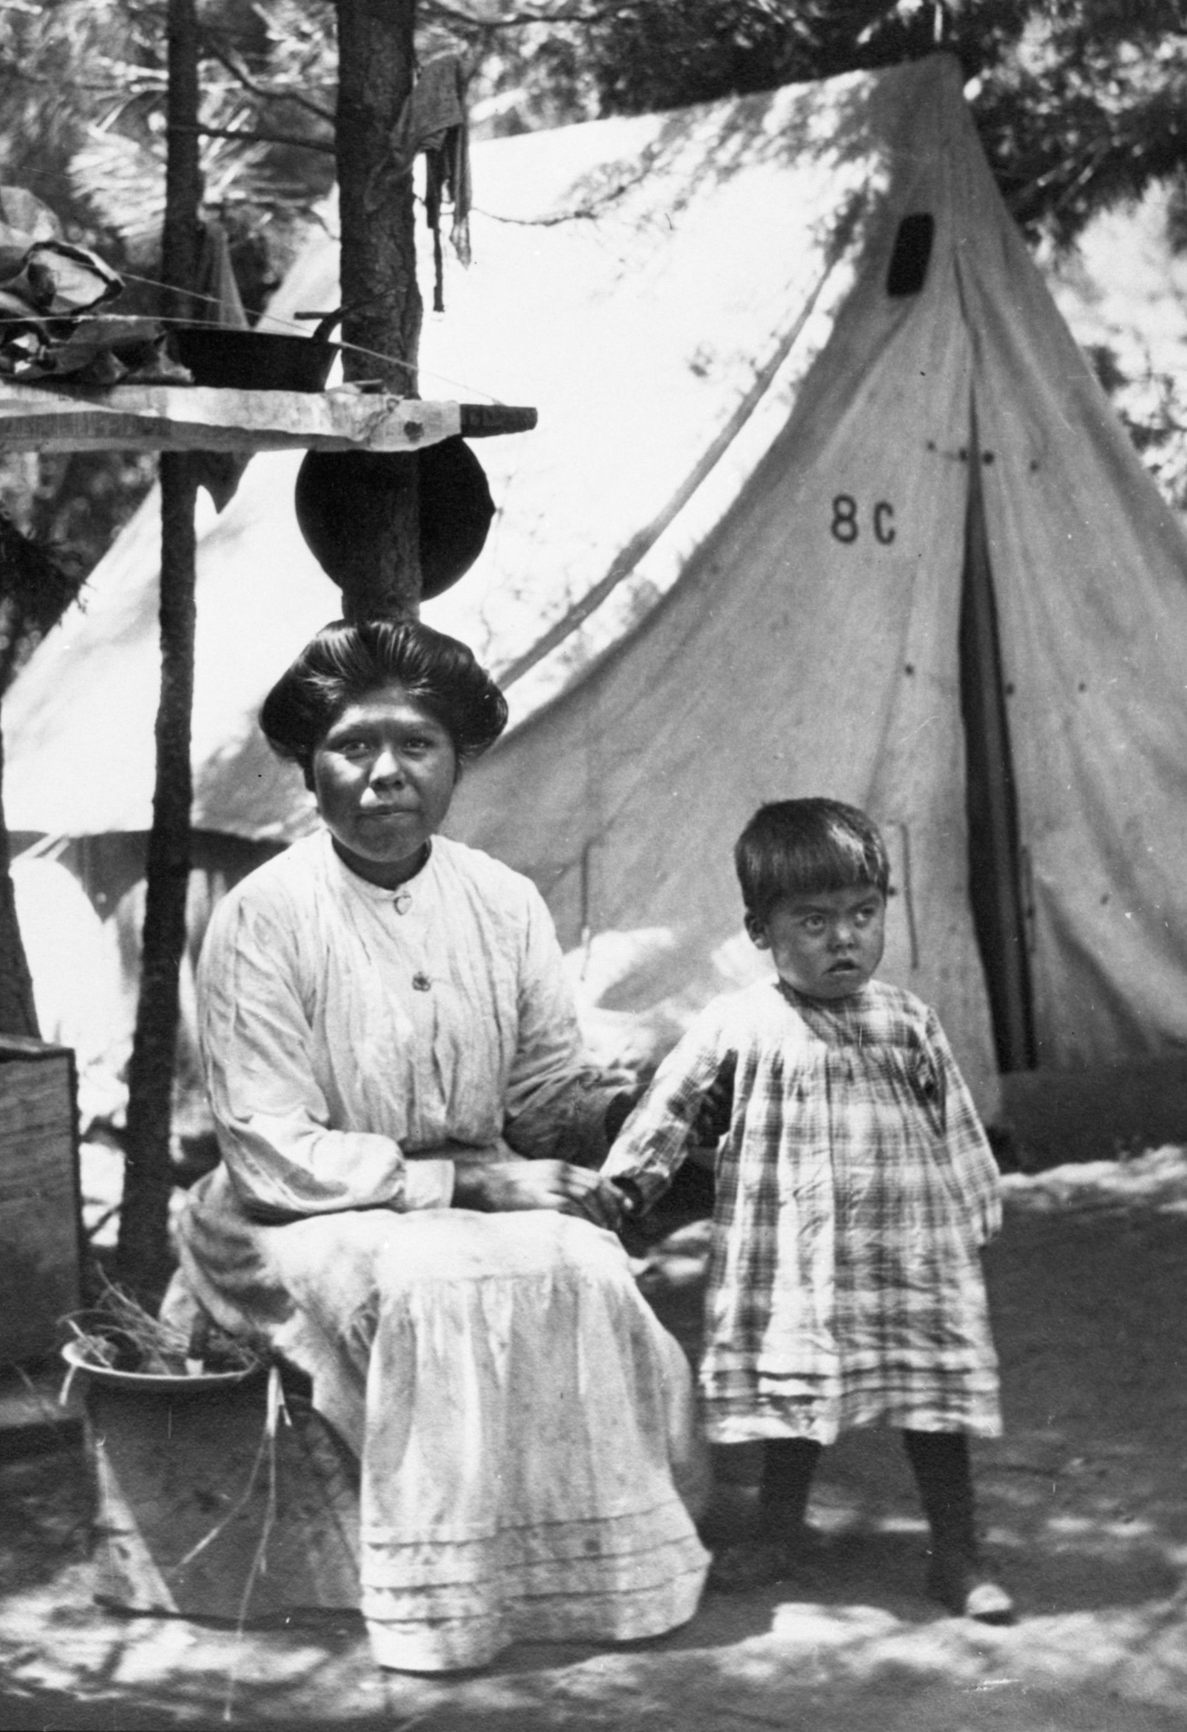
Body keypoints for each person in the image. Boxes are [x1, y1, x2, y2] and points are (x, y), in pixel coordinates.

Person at [169, 619, 709, 1673]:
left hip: (475, 1192)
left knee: (586, 1264)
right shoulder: (263, 918)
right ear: (308, 766)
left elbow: (542, 1090)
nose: (383, 776)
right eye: (352, 747)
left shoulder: (501, 903)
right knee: (423, 1287)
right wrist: (466, 1176)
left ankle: (596, 1572)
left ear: (456, 759)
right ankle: (447, 1598)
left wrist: (633, 1124)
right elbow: (270, 1151)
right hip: (294, 1215)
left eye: (414, 746)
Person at [603, 797, 1013, 1624]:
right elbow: (669, 1108)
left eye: (863, 915)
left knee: (930, 1397)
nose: (844, 939)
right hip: (792, 1255)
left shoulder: (907, 1019)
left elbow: (956, 1120)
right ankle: (776, 1531)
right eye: (814, 920)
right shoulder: (740, 1022)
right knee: (794, 1393)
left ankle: (956, 1553)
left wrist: (974, 1209)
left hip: (908, 1257)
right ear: (760, 931)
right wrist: (621, 1189)